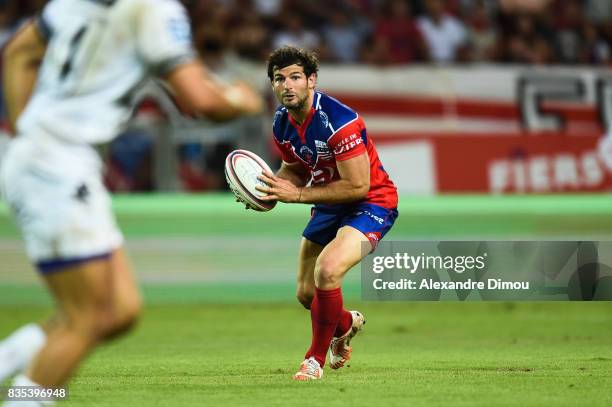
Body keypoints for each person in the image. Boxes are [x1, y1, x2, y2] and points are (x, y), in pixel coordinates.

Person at [0, 0, 262, 403]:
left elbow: (18, 52)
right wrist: (244, 100)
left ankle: (7, 360)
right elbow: (202, 102)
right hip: (57, 164)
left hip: (61, 160)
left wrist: (25, 132)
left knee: (120, 311)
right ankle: (27, 400)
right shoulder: (156, 9)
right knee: (87, 318)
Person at [257, 46, 398, 381]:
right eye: (279, 79)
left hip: (371, 203)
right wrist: (270, 189)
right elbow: (293, 168)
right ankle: (346, 324)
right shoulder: (282, 122)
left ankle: (314, 360)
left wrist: (299, 195)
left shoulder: (339, 122)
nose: (287, 85)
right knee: (307, 294)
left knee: (328, 269)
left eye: (295, 77)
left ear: (311, 80)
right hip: (328, 203)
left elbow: (357, 186)